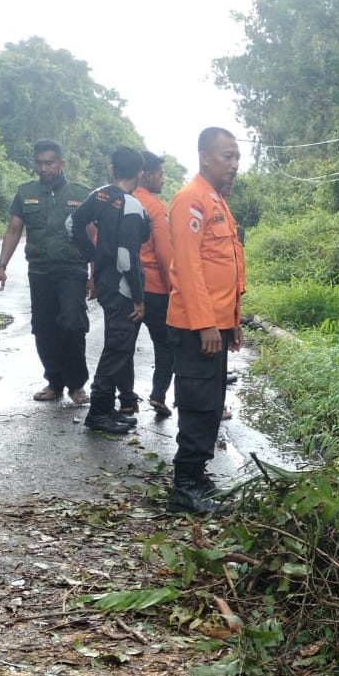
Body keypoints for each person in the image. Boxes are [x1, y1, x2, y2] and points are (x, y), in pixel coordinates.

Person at [164, 127, 244, 514]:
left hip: (215, 324)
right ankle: (184, 487)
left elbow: (226, 265)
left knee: (212, 404)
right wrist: (205, 323)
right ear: (204, 157)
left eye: (237, 157)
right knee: (197, 404)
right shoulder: (190, 200)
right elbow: (189, 267)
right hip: (195, 326)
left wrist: (232, 319)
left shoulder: (217, 201)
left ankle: (197, 475)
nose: (234, 164)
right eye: (227, 156)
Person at [0, 140, 93, 405]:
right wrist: (1, 266)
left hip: (72, 269)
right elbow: (13, 230)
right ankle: (54, 382)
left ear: (61, 163)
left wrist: (96, 273)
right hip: (39, 271)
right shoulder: (25, 193)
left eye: (49, 162)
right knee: (44, 328)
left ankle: (76, 385)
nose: (43, 167)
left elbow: (94, 233)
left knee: (72, 324)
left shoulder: (81, 193)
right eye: (39, 162)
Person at [66, 146, 150, 435]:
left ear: (112, 170)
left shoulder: (99, 195)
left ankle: (108, 409)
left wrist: (94, 256)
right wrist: (139, 298)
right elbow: (127, 257)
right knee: (117, 348)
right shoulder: (132, 206)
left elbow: (71, 224)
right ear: (140, 174)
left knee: (117, 346)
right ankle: (99, 413)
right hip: (124, 288)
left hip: (105, 283)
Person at [132, 151, 175, 419]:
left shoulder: (119, 200)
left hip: (128, 287)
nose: (162, 179)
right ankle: (158, 395)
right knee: (165, 345)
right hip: (156, 289)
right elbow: (163, 253)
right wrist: (174, 288)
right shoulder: (155, 207)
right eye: (160, 174)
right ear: (146, 174)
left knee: (124, 344)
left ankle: (125, 398)